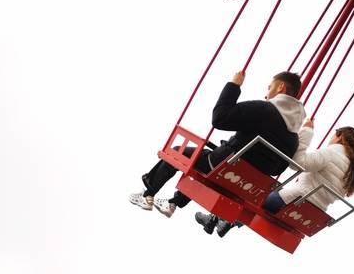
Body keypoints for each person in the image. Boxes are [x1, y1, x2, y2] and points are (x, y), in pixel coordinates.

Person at [128, 70, 306, 220]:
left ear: (281, 87)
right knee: (207, 166)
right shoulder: (294, 137)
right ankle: (173, 203)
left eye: (270, 87)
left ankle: (148, 194)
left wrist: (233, 86)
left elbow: (220, 118)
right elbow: (278, 169)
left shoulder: (264, 110)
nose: (266, 93)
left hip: (222, 166)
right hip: (246, 185)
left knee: (179, 152)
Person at [205, 118, 354, 237]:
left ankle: (218, 219)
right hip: (309, 214)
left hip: (291, 201)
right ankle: (223, 222)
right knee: (268, 194)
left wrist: (307, 132)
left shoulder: (333, 152)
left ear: (340, 137)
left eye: (334, 136)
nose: (331, 140)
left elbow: (299, 163)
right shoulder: (353, 171)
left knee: (253, 191)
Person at [262, 119, 354, 214]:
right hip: (313, 214)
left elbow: (297, 163)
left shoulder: (333, 151)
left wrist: (307, 130)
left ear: (340, 136)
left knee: (257, 196)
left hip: (293, 200)